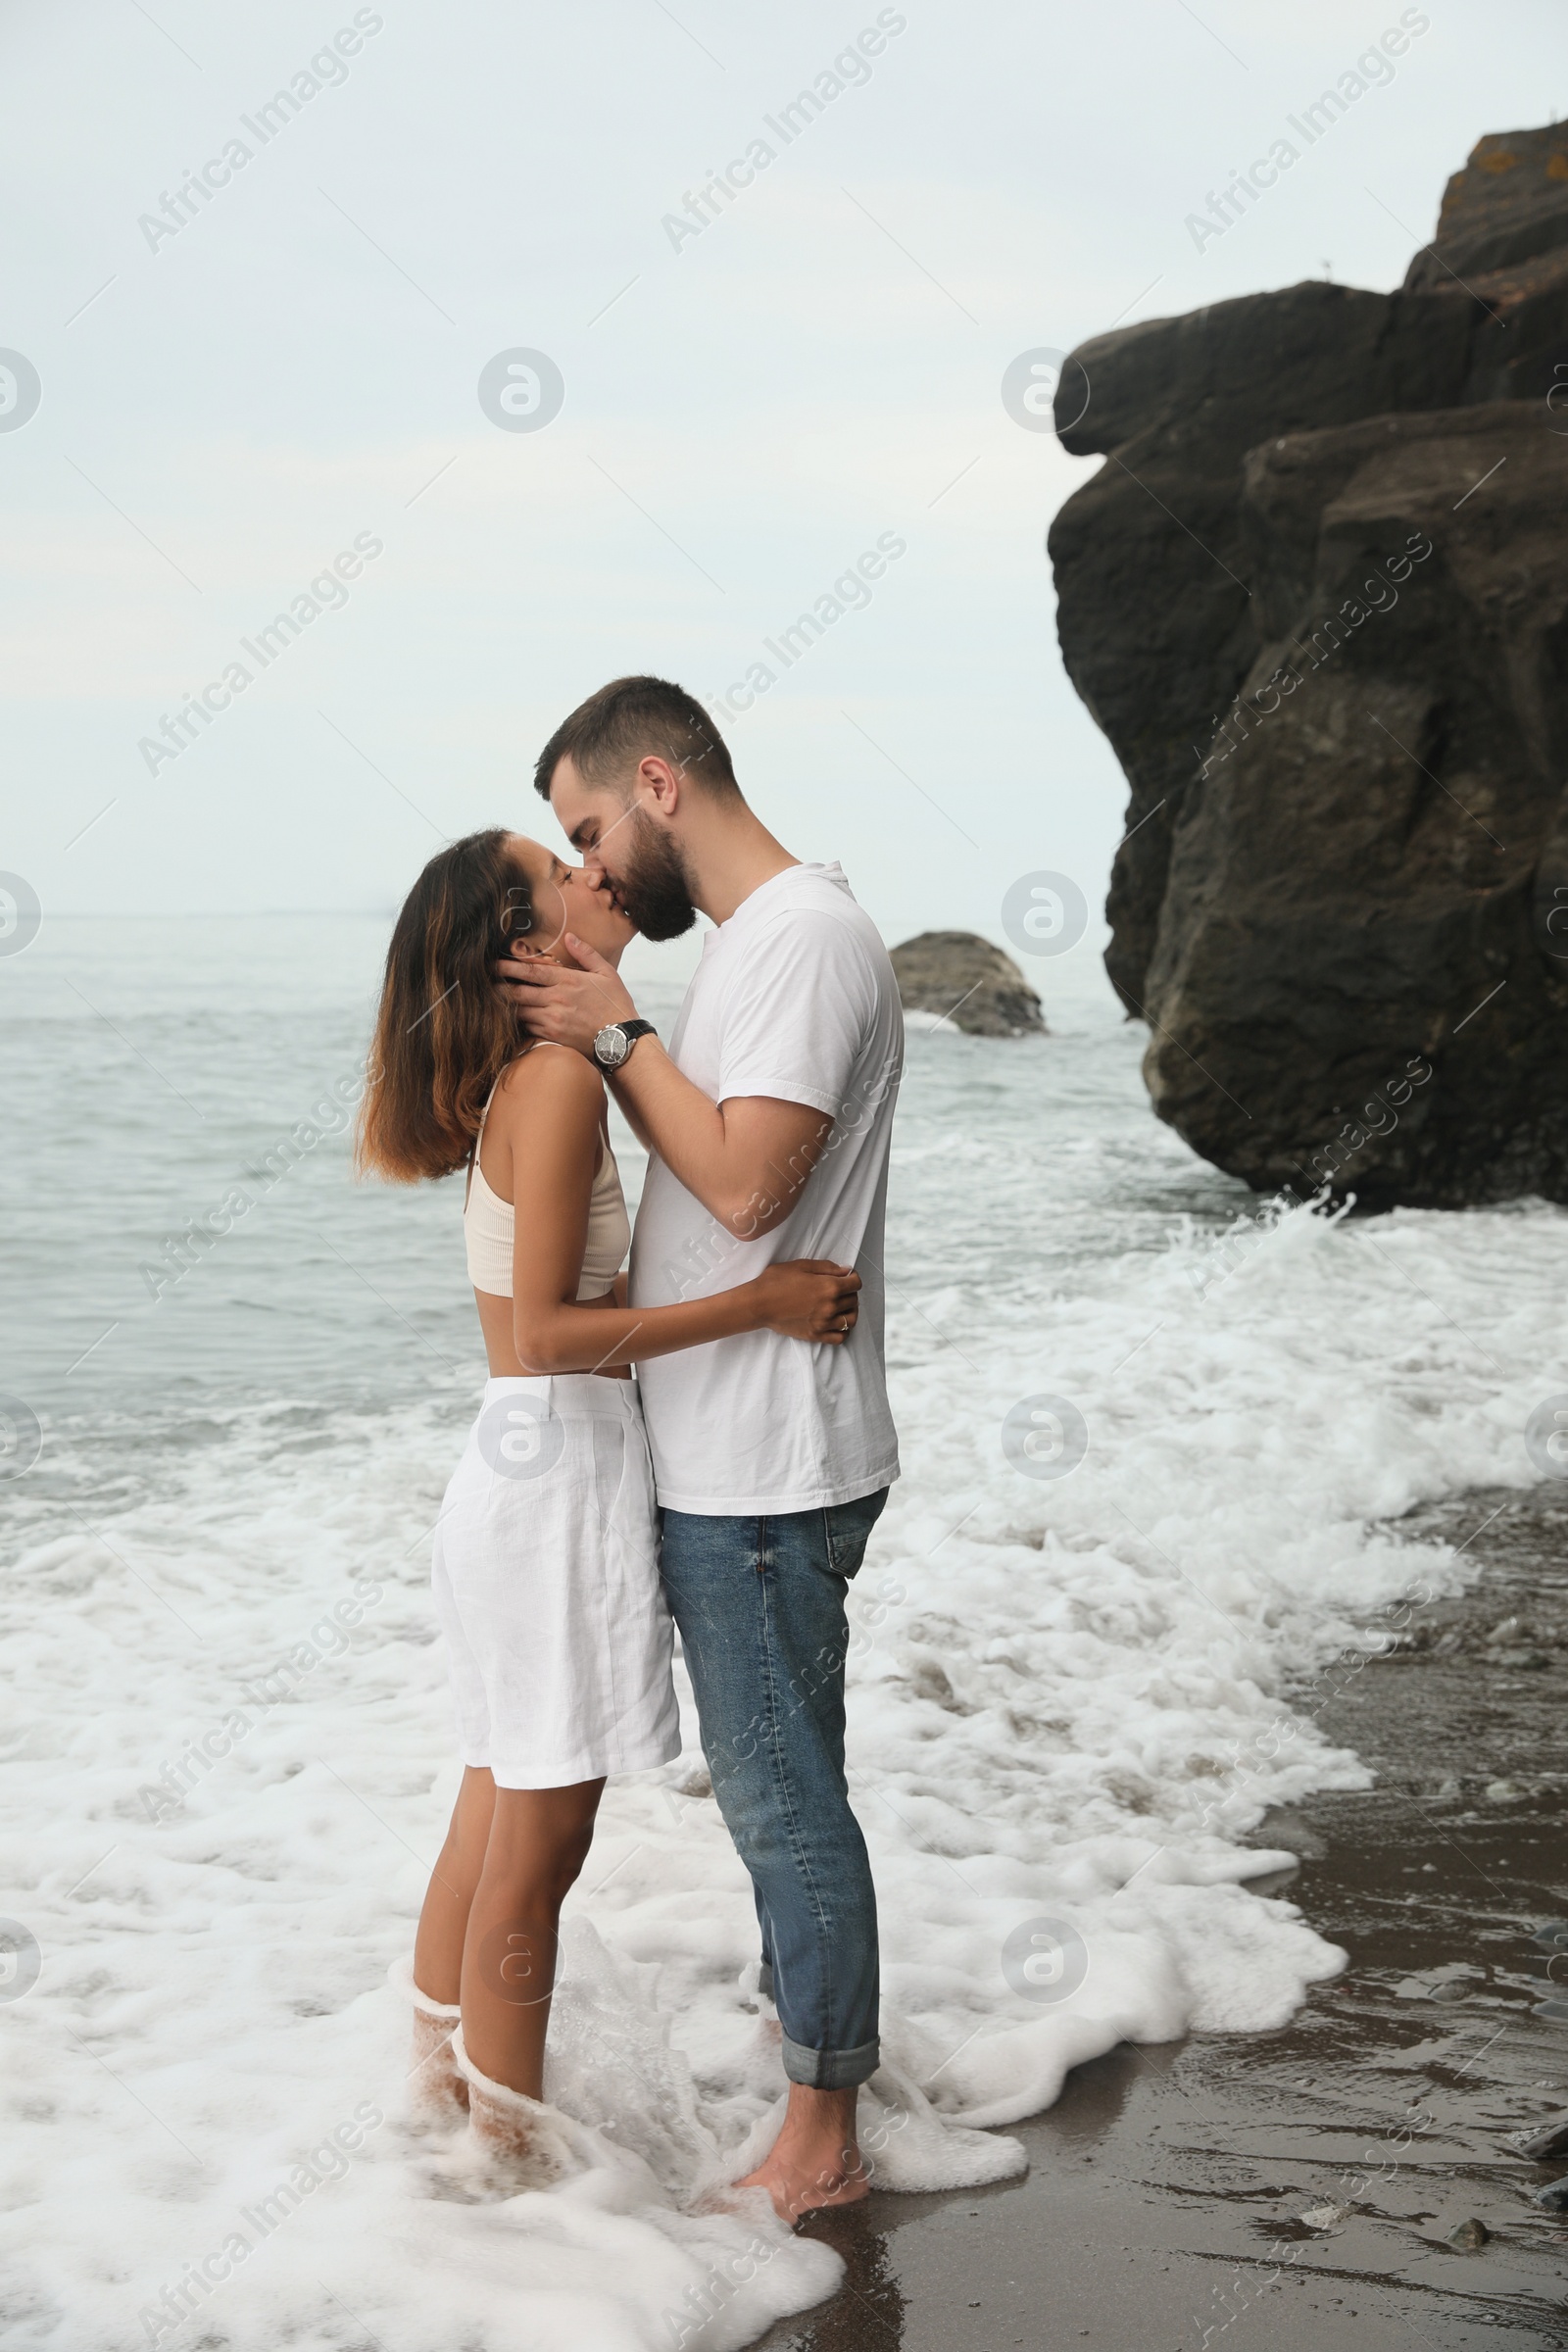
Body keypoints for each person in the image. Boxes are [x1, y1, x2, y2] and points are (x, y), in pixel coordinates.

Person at [354, 825, 861, 2174]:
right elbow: (543, 1337)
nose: (596, 877)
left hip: (513, 1474)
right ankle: (510, 2177)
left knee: (492, 1792)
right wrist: (763, 1301)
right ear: (529, 945)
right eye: (562, 868)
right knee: (543, 1836)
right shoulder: (560, 1082)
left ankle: (443, 2092)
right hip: (550, 1477)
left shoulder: (539, 1076)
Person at [500, 676, 903, 2220]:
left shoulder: (796, 939)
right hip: (756, 1454)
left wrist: (613, 1034)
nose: (592, 868)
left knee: (783, 1799)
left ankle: (824, 2137)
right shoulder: (769, 942)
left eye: (592, 828)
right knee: (790, 1789)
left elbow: (745, 1191)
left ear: (659, 782)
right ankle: (814, 2033)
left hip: (761, 1469)